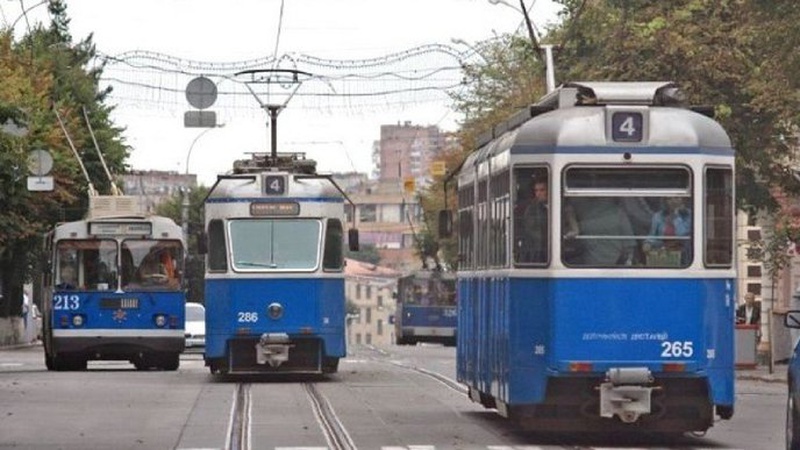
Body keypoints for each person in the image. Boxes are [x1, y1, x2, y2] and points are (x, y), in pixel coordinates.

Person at [643, 197, 692, 265]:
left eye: (677, 198)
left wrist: (676, 216)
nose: (673, 201)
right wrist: (648, 243)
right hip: (663, 251)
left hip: (684, 254)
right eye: (669, 199)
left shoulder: (690, 215)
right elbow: (653, 235)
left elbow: (682, 234)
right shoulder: (658, 216)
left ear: (683, 200)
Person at [519, 179, 549, 263]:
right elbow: (531, 230)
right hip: (535, 251)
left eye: (542, 190)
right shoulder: (531, 209)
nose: (539, 193)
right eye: (536, 190)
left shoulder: (562, 206)